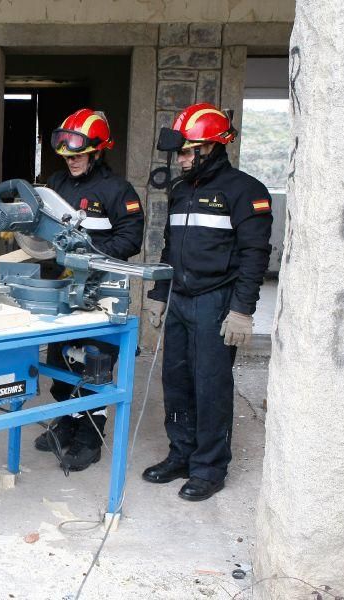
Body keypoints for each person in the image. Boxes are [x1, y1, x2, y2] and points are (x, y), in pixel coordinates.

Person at [143, 102, 272, 501]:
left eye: (186, 151)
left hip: (216, 302)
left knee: (210, 385)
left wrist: (242, 310)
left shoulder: (245, 191)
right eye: (179, 152)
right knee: (176, 381)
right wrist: (160, 295)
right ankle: (181, 454)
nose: (180, 159)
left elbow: (255, 254)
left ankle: (209, 467)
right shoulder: (182, 190)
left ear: (210, 148)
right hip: (180, 298)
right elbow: (169, 247)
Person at [34, 109, 145, 472]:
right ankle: (65, 424)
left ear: (97, 151)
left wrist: (90, 255)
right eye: (67, 155)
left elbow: (131, 237)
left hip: (102, 291)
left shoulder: (118, 191)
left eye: (79, 154)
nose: (72, 161)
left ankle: (89, 436)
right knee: (60, 360)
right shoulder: (57, 184)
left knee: (94, 364)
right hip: (65, 288)